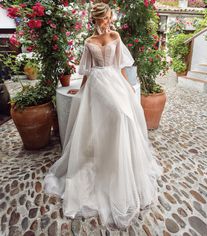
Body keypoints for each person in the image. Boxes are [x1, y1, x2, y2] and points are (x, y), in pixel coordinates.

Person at [44, 3, 163, 229]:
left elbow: (119, 66)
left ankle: (120, 162)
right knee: (114, 117)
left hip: (114, 81)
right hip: (97, 85)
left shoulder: (115, 35)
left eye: (109, 18)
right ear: (96, 19)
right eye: (104, 18)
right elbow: (88, 70)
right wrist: (80, 90)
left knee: (124, 114)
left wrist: (128, 86)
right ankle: (102, 162)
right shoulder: (89, 42)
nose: (108, 22)